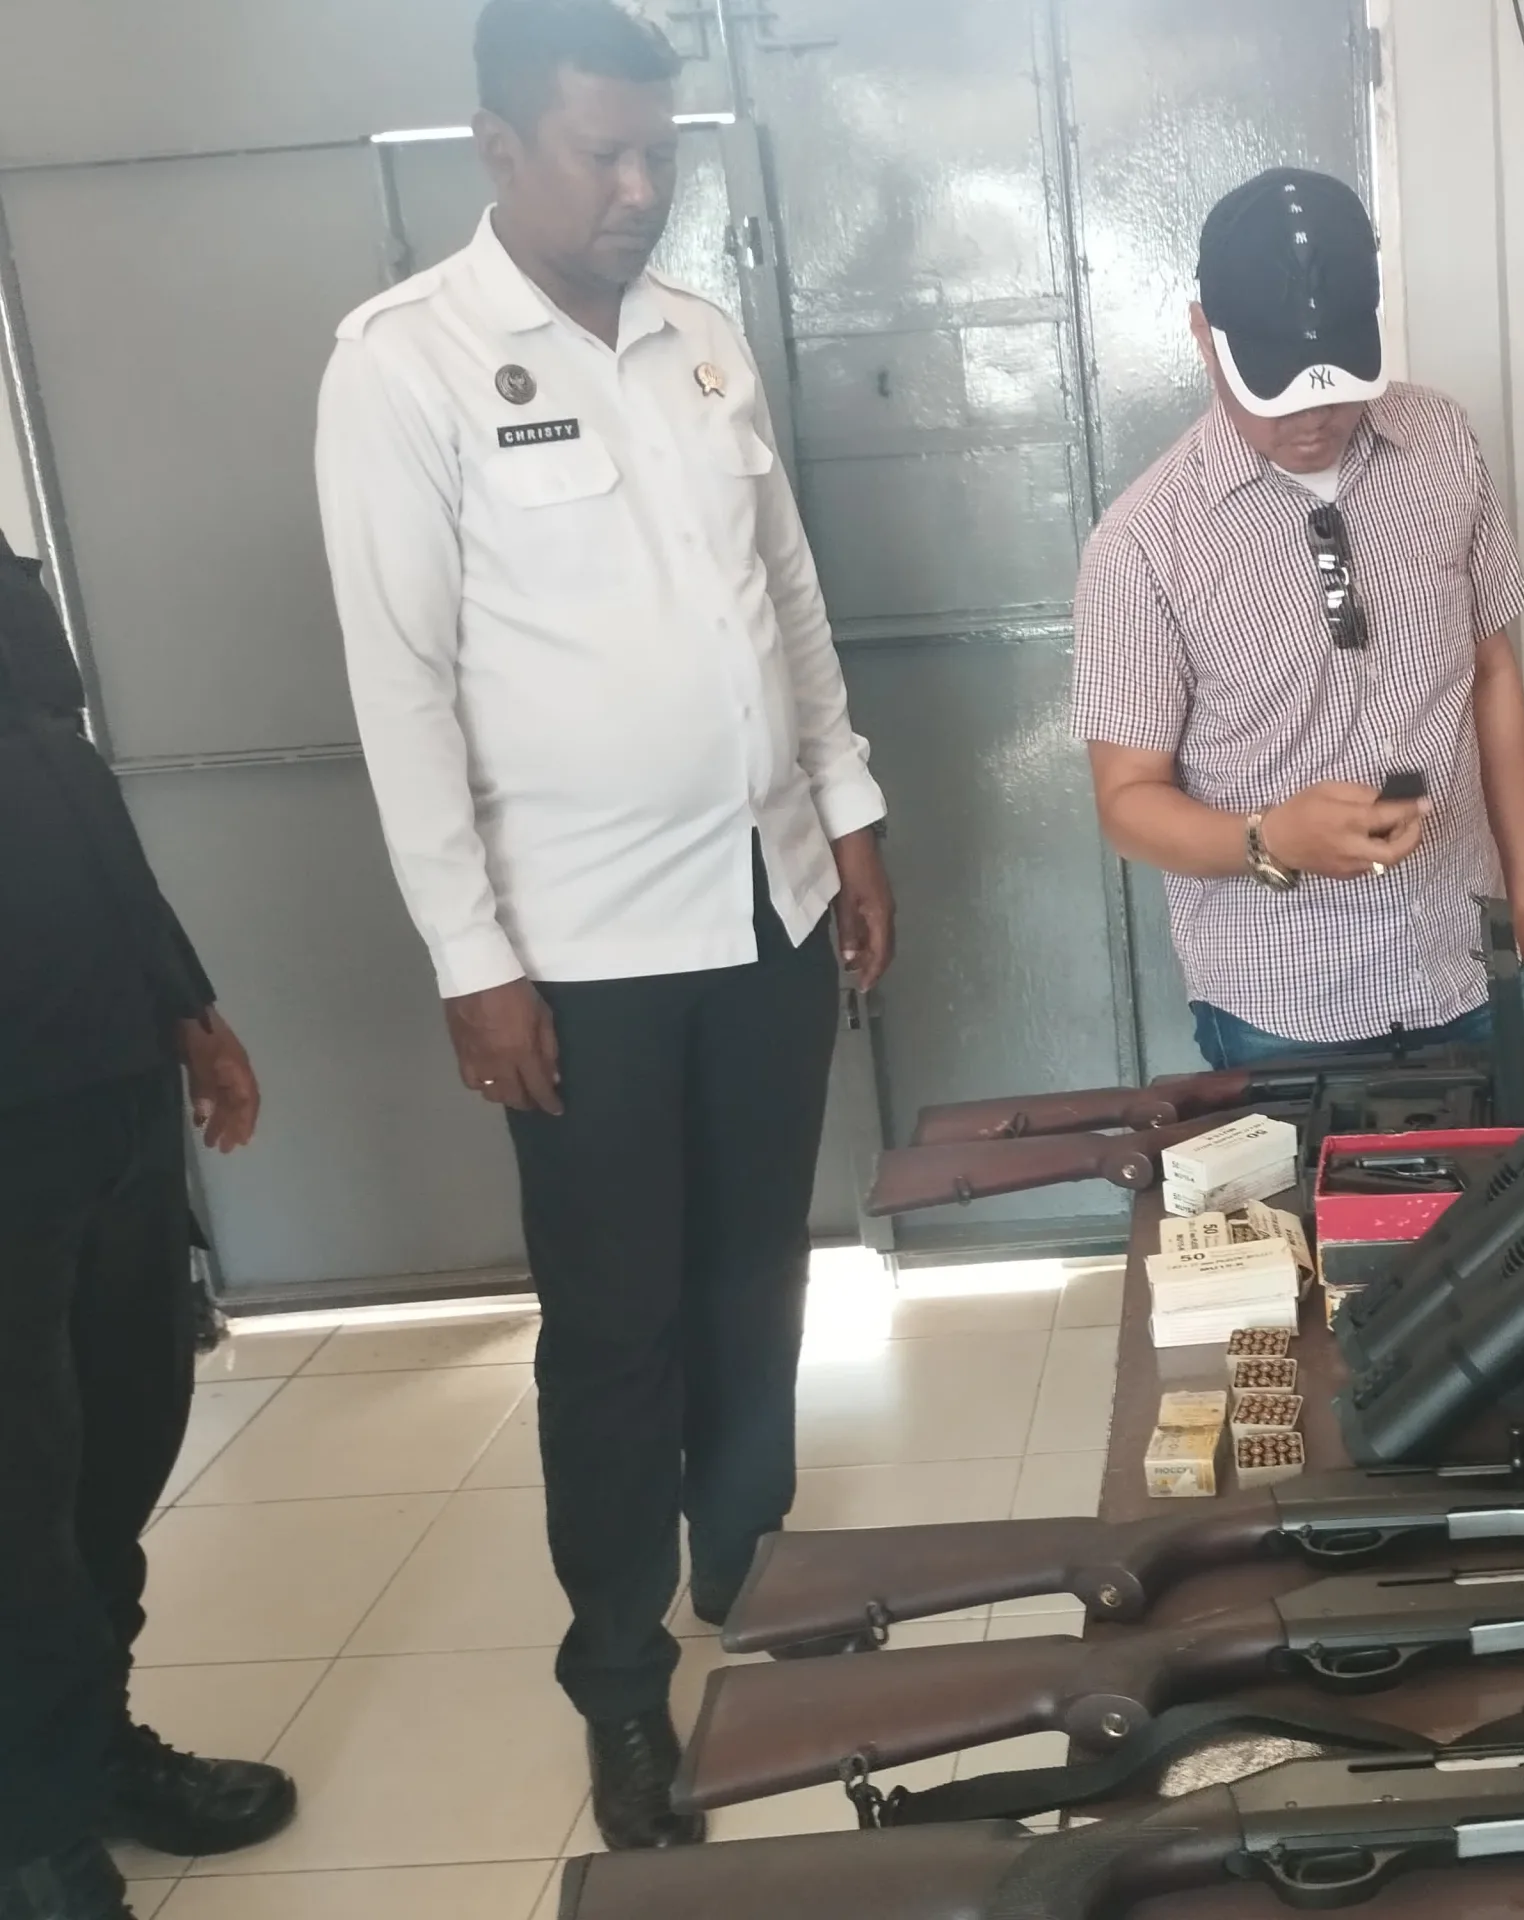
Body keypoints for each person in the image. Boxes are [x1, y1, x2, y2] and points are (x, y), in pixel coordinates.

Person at [313, 0, 893, 1851]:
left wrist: (850, 811)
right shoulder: (405, 366)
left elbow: (784, 595)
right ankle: (623, 1674)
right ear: (500, 147)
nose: (642, 188)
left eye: (661, 152)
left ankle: (752, 1564)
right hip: (579, 954)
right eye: (603, 154)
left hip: (766, 903)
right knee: (616, 1322)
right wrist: (469, 957)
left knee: (761, 1273)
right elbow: (404, 690)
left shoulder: (700, 339)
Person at [1071, 167, 1524, 1069]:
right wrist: (1270, 839)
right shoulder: (1141, 545)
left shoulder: (1440, 443)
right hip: (1284, 1007)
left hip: (1471, 959)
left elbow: (1491, 670)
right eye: (1279, 388)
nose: (1313, 416)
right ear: (1203, 335)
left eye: (1335, 383)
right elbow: (1127, 801)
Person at [0, 530, 291, 1920]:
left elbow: (62, 771)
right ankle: (32, 1839)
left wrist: (183, 1002)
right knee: (15, 1500)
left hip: (104, 1073)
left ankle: (89, 1750)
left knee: (115, 1450)